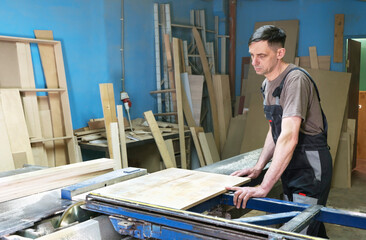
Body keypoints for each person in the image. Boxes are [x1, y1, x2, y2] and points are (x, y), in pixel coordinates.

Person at [225, 25, 332, 237]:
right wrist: (258, 168)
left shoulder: (295, 80)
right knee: (302, 224)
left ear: (280, 53)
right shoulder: (266, 84)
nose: (254, 62)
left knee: (300, 229)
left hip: (310, 165)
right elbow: (275, 131)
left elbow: (289, 137)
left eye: (261, 56)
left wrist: (264, 187)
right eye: (252, 55)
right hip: (290, 164)